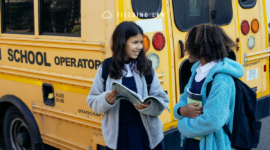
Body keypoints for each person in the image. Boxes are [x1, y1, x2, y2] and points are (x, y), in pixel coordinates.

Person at [87, 21, 169, 150]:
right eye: (135, 42)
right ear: (121, 42)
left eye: (141, 42)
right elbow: (92, 101)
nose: (139, 47)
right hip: (118, 138)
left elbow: (162, 100)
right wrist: (105, 100)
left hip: (147, 136)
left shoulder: (147, 66)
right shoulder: (106, 68)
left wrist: (149, 105)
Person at [173, 23, 244, 150]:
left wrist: (183, 125)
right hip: (192, 142)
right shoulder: (197, 71)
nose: (186, 50)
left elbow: (213, 121)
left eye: (190, 46)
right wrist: (180, 111)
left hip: (212, 145)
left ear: (202, 48)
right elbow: (184, 98)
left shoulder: (221, 79)